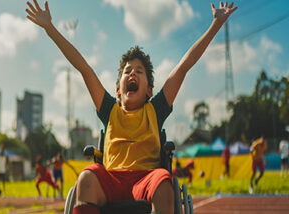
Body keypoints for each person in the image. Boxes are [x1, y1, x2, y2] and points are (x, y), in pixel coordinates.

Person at [25, 1, 237, 213]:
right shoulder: (109, 109)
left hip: (146, 178)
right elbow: (84, 68)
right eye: (127, 72)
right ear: (118, 89)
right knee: (87, 178)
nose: (132, 74)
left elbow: (183, 67)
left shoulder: (156, 109)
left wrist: (216, 25)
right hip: (111, 180)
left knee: (164, 181)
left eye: (139, 71)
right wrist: (50, 28)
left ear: (149, 90)